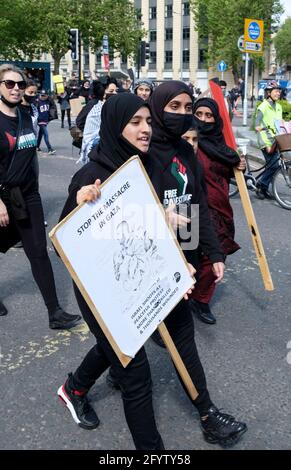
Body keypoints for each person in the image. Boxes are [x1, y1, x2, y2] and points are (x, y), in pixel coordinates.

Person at [57, 91, 247, 449]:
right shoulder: (91, 175)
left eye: (148, 121)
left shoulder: (143, 166)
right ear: (116, 126)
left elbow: (160, 218)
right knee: (136, 373)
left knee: (179, 334)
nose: (145, 129)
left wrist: (181, 261)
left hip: (150, 275)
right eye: (135, 122)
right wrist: (81, 205)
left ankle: (76, 387)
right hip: (106, 296)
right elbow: (65, 243)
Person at [0, 64, 81, 330]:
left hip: (28, 196)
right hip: (2, 197)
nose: (15, 89)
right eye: (9, 84)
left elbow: (29, 156)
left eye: (19, 85)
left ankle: (54, 312)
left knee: (38, 252)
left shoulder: (25, 114)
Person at [187, 97, 245, 325]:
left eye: (208, 115)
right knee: (197, 256)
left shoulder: (222, 147)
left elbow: (224, 171)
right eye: (198, 114)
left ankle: (200, 299)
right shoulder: (189, 141)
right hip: (195, 208)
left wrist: (238, 166)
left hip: (220, 207)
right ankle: (187, 300)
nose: (202, 120)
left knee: (215, 256)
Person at [77, 78, 118, 165]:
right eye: (111, 91)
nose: (115, 93)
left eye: (116, 90)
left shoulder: (112, 106)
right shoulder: (94, 106)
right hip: (94, 148)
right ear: (103, 93)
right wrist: (92, 132)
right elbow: (80, 121)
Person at [255, 80, 282, 200]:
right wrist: (264, 128)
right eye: (276, 91)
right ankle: (261, 184)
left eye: (279, 91)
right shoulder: (263, 106)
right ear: (269, 93)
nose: (278, 93)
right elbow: (256, 125)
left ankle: (263, 189)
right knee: (274, 165)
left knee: (272, 165)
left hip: (276, 140)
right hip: (265, 140)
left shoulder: (279, 107)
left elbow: (279, 125)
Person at [36, 90, 56, 154]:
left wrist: (52, 116)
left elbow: (53, 107)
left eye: (44, 95)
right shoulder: (37, 102)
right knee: (46, 134)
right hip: (40, 121)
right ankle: (50, 149)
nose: (43, 97)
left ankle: (37, 146)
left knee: (40, 134)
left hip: (46, 120)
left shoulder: (49, 101)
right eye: (42, 95)